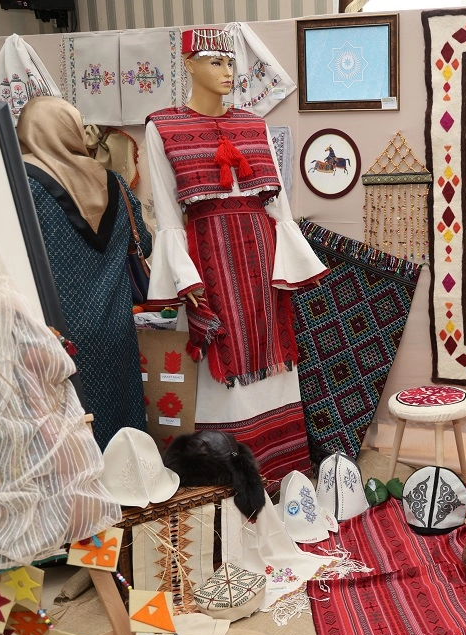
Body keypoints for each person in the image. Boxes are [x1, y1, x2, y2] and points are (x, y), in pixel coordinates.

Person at [145, 29, 327, 481]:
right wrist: (185, 277)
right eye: (215, 62)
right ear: (188, 64)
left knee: (274, 357)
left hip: (262, 260)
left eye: (230, 63)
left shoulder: (252, 124)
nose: (227, 72)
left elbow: (277, 204)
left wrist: (290, 264)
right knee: (221, 366)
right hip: (209, 262)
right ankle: (229, 479)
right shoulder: (162, 126)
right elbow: (167, 215)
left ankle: (284, 474)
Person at [16, 95, 149, 450]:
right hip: (115, 329)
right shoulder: (114, 182)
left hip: (53, 335)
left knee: (67, 437)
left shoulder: (20, 183)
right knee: (120, 428)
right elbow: (144, 243)